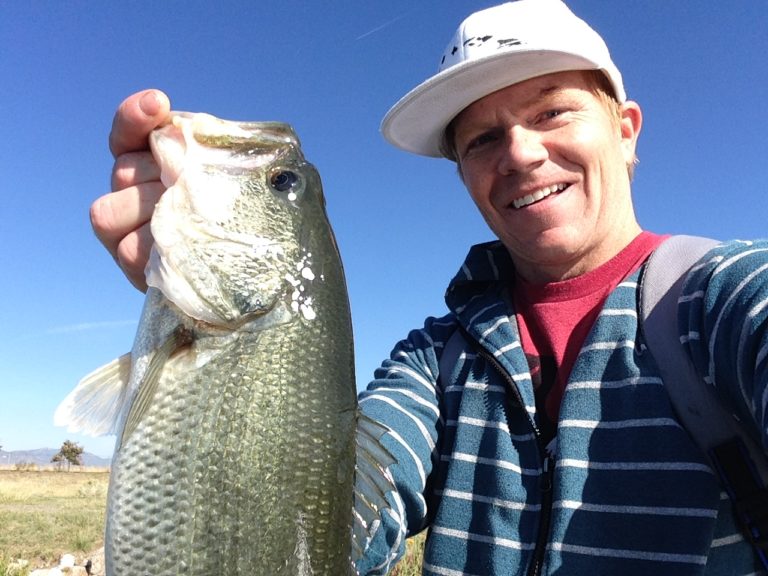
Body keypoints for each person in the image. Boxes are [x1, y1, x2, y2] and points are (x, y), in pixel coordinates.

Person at [94, 1, 768, 574]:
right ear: (465, 175)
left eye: (553, 112)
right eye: (481, 139)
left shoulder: (725, 299)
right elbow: (339, 523)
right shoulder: (435, 357)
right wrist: (210, 350)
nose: (520, 153)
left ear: (624, 132)